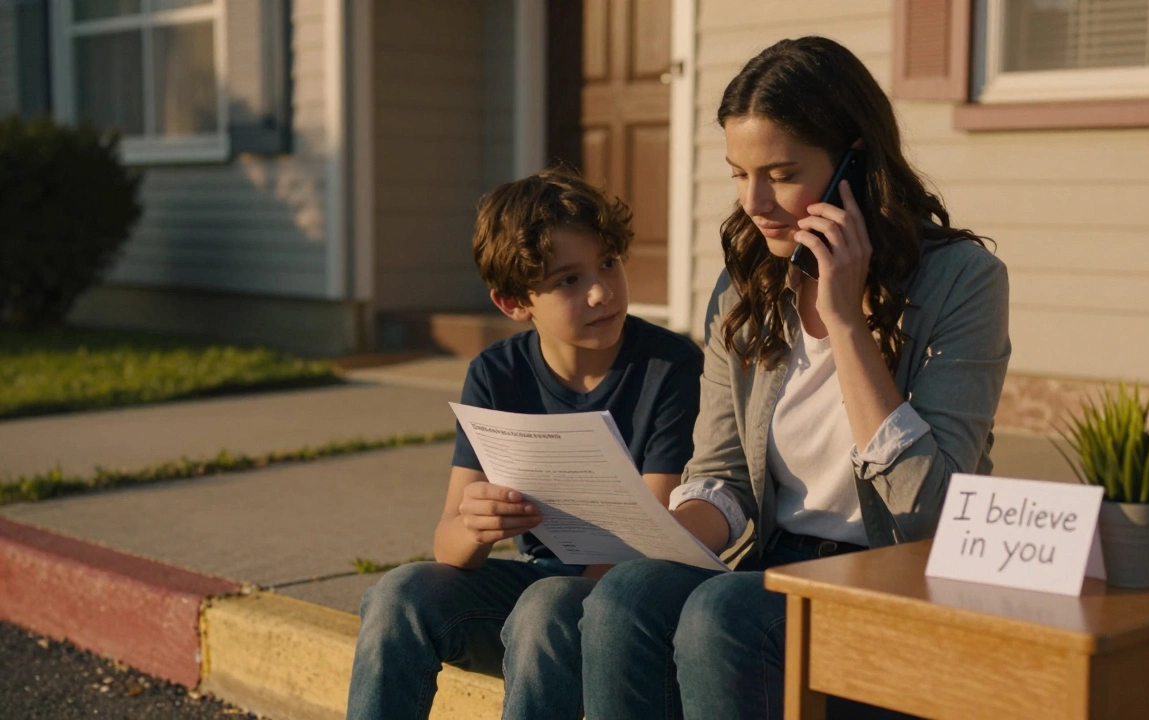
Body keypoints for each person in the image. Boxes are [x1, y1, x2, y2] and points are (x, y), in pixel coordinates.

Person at [574, 36, 1012, 719]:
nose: (754, 202)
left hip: (893, 576)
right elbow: (720, 471)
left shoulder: (963, 281)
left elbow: (928, 508)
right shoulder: (747, 283)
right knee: (625, 596)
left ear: (854, 164)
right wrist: (667, 538)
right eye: (737, 174)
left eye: (779, 174)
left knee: (724, 612)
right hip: (769, 566)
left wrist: (845, 322)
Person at [343, 168, 703, 720]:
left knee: (544, 606)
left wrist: (555, 594)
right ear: (515, 303)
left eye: (608, 263)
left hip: (632, 603)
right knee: (399, 596)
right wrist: (475, 526)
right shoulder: (496, 373)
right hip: (539, 589)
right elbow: (449, 545)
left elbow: (651, 535)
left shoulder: (670, 367)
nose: (602, 291)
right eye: (568, 280)